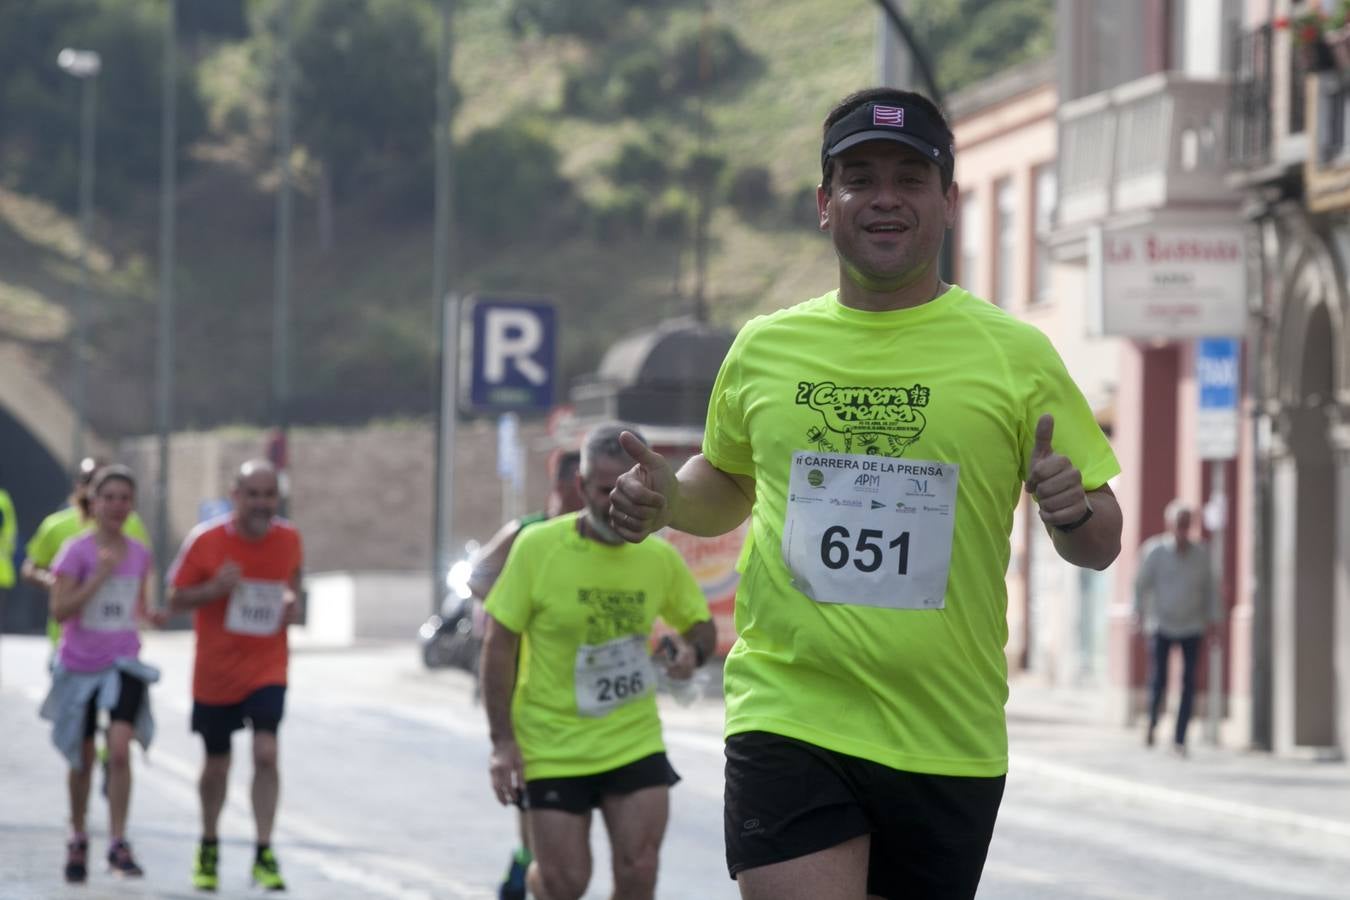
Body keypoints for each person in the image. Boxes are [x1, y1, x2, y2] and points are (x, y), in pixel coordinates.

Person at [609, 87, 1123, 900]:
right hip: (789, 710)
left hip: (946, 734)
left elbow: (1100, 540)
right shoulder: (765, 349)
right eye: (859, 178)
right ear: (825, 203)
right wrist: (669, 500)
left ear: (947, 202)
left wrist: (1069, 510)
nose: (884, 198)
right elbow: (729, 484)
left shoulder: (1017, 355)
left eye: (909, 178)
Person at [481, 423, 716, 900]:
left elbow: (701, 626)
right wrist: (503, 742)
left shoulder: (658, 557)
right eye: (603, 489)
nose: (615, 500)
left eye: (625, 487)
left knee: (639, 870)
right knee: (564, 882)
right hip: (553, 742)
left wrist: (693, 652)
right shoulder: (538, 547)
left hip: (632, 738)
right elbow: (498, 642)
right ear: (581, 487)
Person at [168, 459, 302, 892]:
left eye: (269, 495)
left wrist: (290, 603)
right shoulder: (205, 542)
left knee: (267, 752)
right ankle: (208, 844)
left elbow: (293, 585)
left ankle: (264, 850)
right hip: (216, 671)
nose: (262, 503)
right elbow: (174, 598)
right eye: (253, 494)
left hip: (268, 665)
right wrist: (213, 590)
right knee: (216, 765)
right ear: (235, 496)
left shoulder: (289, 538)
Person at [467, 449, 585, 900]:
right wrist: (515, 607)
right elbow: (477, 578)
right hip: (524, 680)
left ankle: (533, 863)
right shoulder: (527, 532)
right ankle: (527, 863)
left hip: (580, 682)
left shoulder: (604, 535)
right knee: (533, 780)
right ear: (566, 485)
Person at [39, 465, 164, 883]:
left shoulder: (140, 553)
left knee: (121, 747)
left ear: (132, 505)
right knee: (84, 756)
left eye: (124, 499)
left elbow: (136, 608)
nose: (116, 506)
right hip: (79, 663)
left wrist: (152, 616)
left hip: (123, 659)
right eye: (108, 497)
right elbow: (61, 610)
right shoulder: (75, 551)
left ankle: (117, 840)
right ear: (93, 502)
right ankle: (77, 836)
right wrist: (98, 577)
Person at [23, 456, 151, 649]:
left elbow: (140, 580)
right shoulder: (57, 528)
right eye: (90, 478)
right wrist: (56, 582)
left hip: (118, 648)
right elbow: (30, 568)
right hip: (70, 644)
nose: (116, 503)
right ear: (81, 486)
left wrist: (150, 613)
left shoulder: (132, 526)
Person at [1134, 498, 1220, 757]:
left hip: (1192, 625)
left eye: (1187, 524)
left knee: (1188, 683)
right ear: (1170, 524)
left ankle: (1180, 737)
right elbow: (1140, 585)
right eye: (1179, 523)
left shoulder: (1202, 555)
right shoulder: (1154, 552)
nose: (1183, 529)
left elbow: (1211, 590)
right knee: (1158, 678)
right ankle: (1152, 721)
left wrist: (1215, 621)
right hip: (1162, 623)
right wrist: (1138, 614)